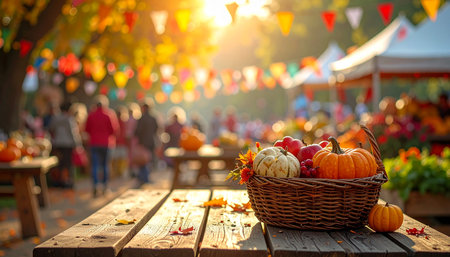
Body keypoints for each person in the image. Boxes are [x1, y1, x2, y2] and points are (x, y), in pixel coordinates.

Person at [85, 95, 119, 197]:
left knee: (95, 165)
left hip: (94, 143)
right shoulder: (109, 114)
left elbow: (86, 129)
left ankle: (95, 186)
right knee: (105, 165)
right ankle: (105, 186)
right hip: (106, 143)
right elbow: (113, 130)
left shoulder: (91, 115)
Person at [48, 102, 81, 188]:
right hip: (68, 144)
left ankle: (59, 180)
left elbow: (51, 128)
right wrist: (77, 144)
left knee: (59, 163)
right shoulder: (69, 118)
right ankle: (67, 180)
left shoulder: (56, 118)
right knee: (68, 163)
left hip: (58, 143)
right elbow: (72, 132)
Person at [134, 99, 159, 184]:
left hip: (143, 142)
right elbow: (157, 129)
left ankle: (143, 177)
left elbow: (137, 131)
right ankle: (146, 176)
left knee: (143, 160)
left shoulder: (141, 119)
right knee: (149, 159)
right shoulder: (153, 118)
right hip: (151, 141)